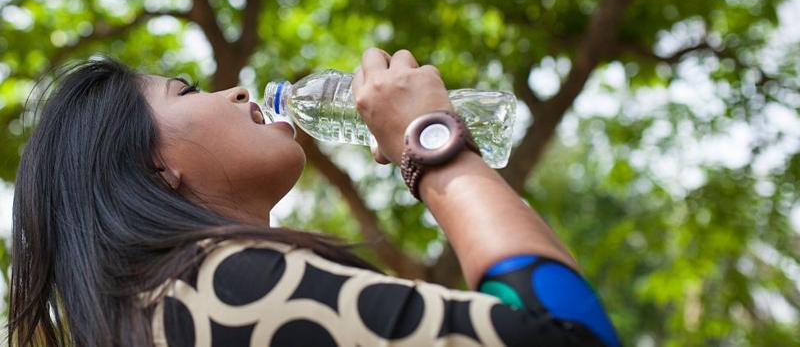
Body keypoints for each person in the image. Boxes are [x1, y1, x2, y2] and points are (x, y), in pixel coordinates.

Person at [9, 48, 620, 346]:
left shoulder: (173, 314)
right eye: (184, 90)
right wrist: (434, 143)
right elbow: (569, 335)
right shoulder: (227, 290)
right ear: (152, 166)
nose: (234, 90)